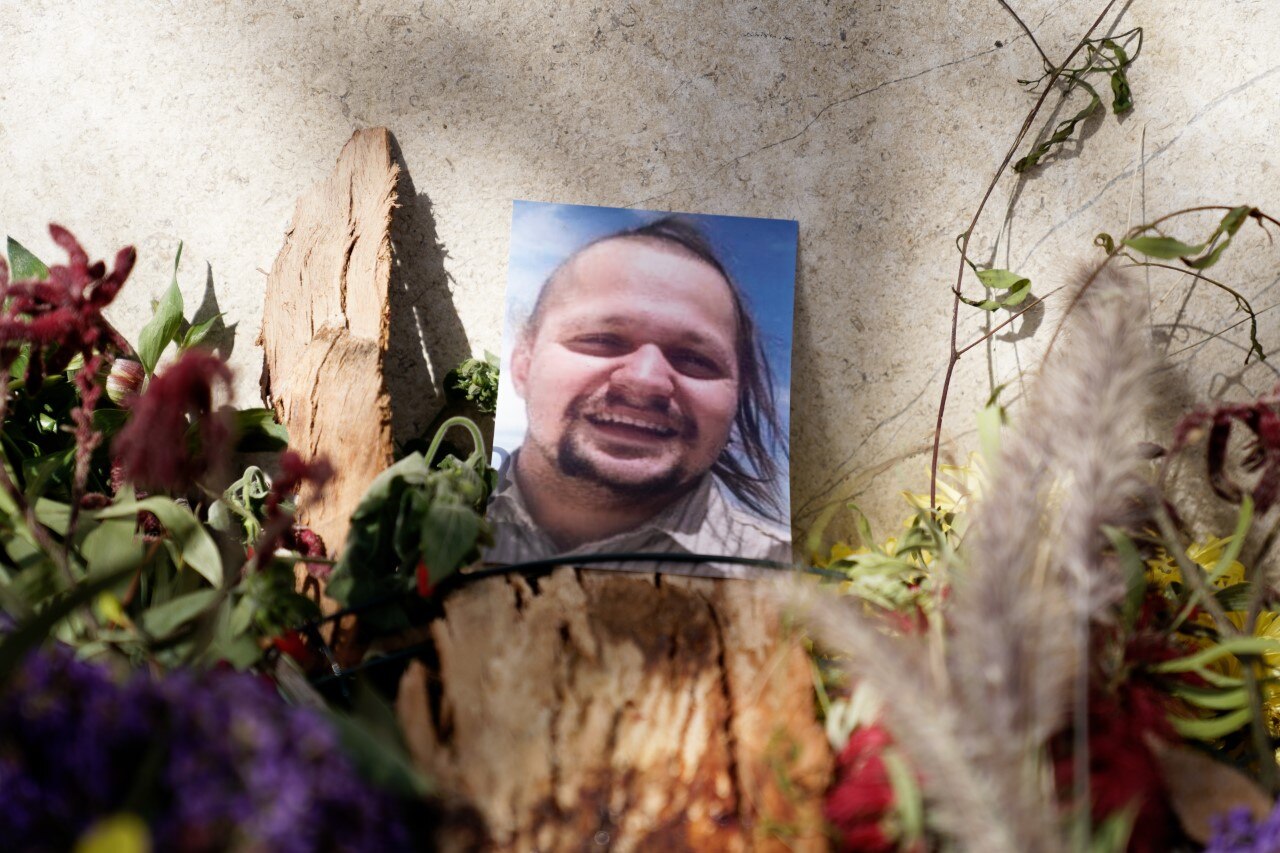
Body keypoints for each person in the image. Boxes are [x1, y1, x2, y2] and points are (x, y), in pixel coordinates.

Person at [484, 216, 791, 574]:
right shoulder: (412, 521)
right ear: (523, 363)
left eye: (695, 359)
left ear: (737, 398)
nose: (645, 381)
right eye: (601, 339)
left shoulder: (797, 585)